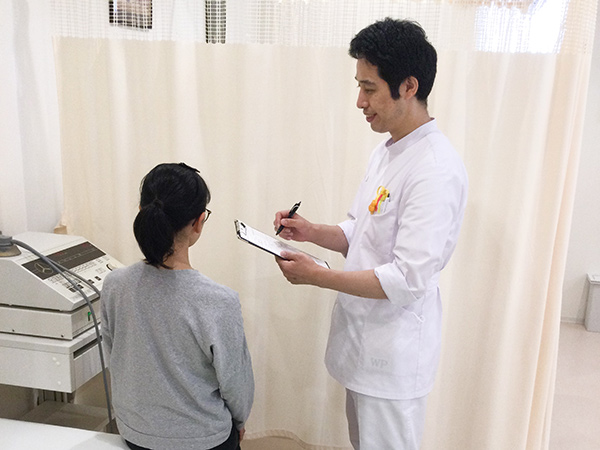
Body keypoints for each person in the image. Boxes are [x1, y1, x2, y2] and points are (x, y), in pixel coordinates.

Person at [273, 18, 468, 450]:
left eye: (370, 88)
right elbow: (360, 231)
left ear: (409, 86)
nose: (360, 101)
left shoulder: (434, 170)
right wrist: (311, 231)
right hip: (363, 344)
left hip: (392, 356)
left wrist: (317, 276)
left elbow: (407, 278)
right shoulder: (386, 150)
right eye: (358, 87)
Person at [101, 162, 254, 450]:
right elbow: (236, 384)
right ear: (198, 222)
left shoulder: (115, 285)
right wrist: (240, 421)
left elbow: (115, 357)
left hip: (136, 435)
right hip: (203, 440)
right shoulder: (219, 301)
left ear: (141, 211)